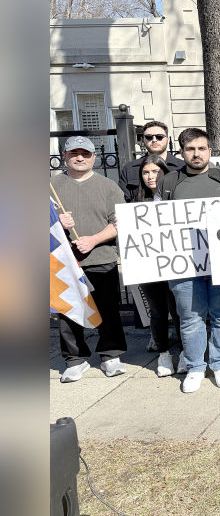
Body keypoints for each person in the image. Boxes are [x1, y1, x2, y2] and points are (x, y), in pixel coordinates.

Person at [156, 128, 220, 393]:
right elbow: (156, 223)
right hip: (183, 264)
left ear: (210, 150)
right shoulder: (169, 183)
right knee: (190, 317)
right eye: (191, 149)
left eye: (202, 148)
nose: (197, 154)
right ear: (181, 152)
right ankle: (195, 367)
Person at [53, 136, 128, 382]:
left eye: (85, 154)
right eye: (74, 153)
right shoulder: (50, 186)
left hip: (101, 257)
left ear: (94, 157)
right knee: (68, 311)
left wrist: (94, 240)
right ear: (64, 156)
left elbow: (119, 223)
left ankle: (111, 354)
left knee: (107, 308)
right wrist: (55, 222)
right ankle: (75, 359)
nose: (80, 158)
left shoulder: (109, 186)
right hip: (64, 262)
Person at [133, 154, 183, 376]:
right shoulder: (135, 203)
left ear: (165, 173)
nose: (151, 176)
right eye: (146, 172)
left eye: (156, 171)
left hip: (176, 264)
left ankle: (183, 353)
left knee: (180, 310)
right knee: (158, 312)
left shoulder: (177, 198)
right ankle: (163, 355)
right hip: (149, 266)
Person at [118, 120, 185, 202]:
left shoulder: (182, 167)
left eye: (159, 137)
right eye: (149, 137)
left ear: (167, 139)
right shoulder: (130, 169)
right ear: (143, 139)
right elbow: (122, 201)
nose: (154, 140)